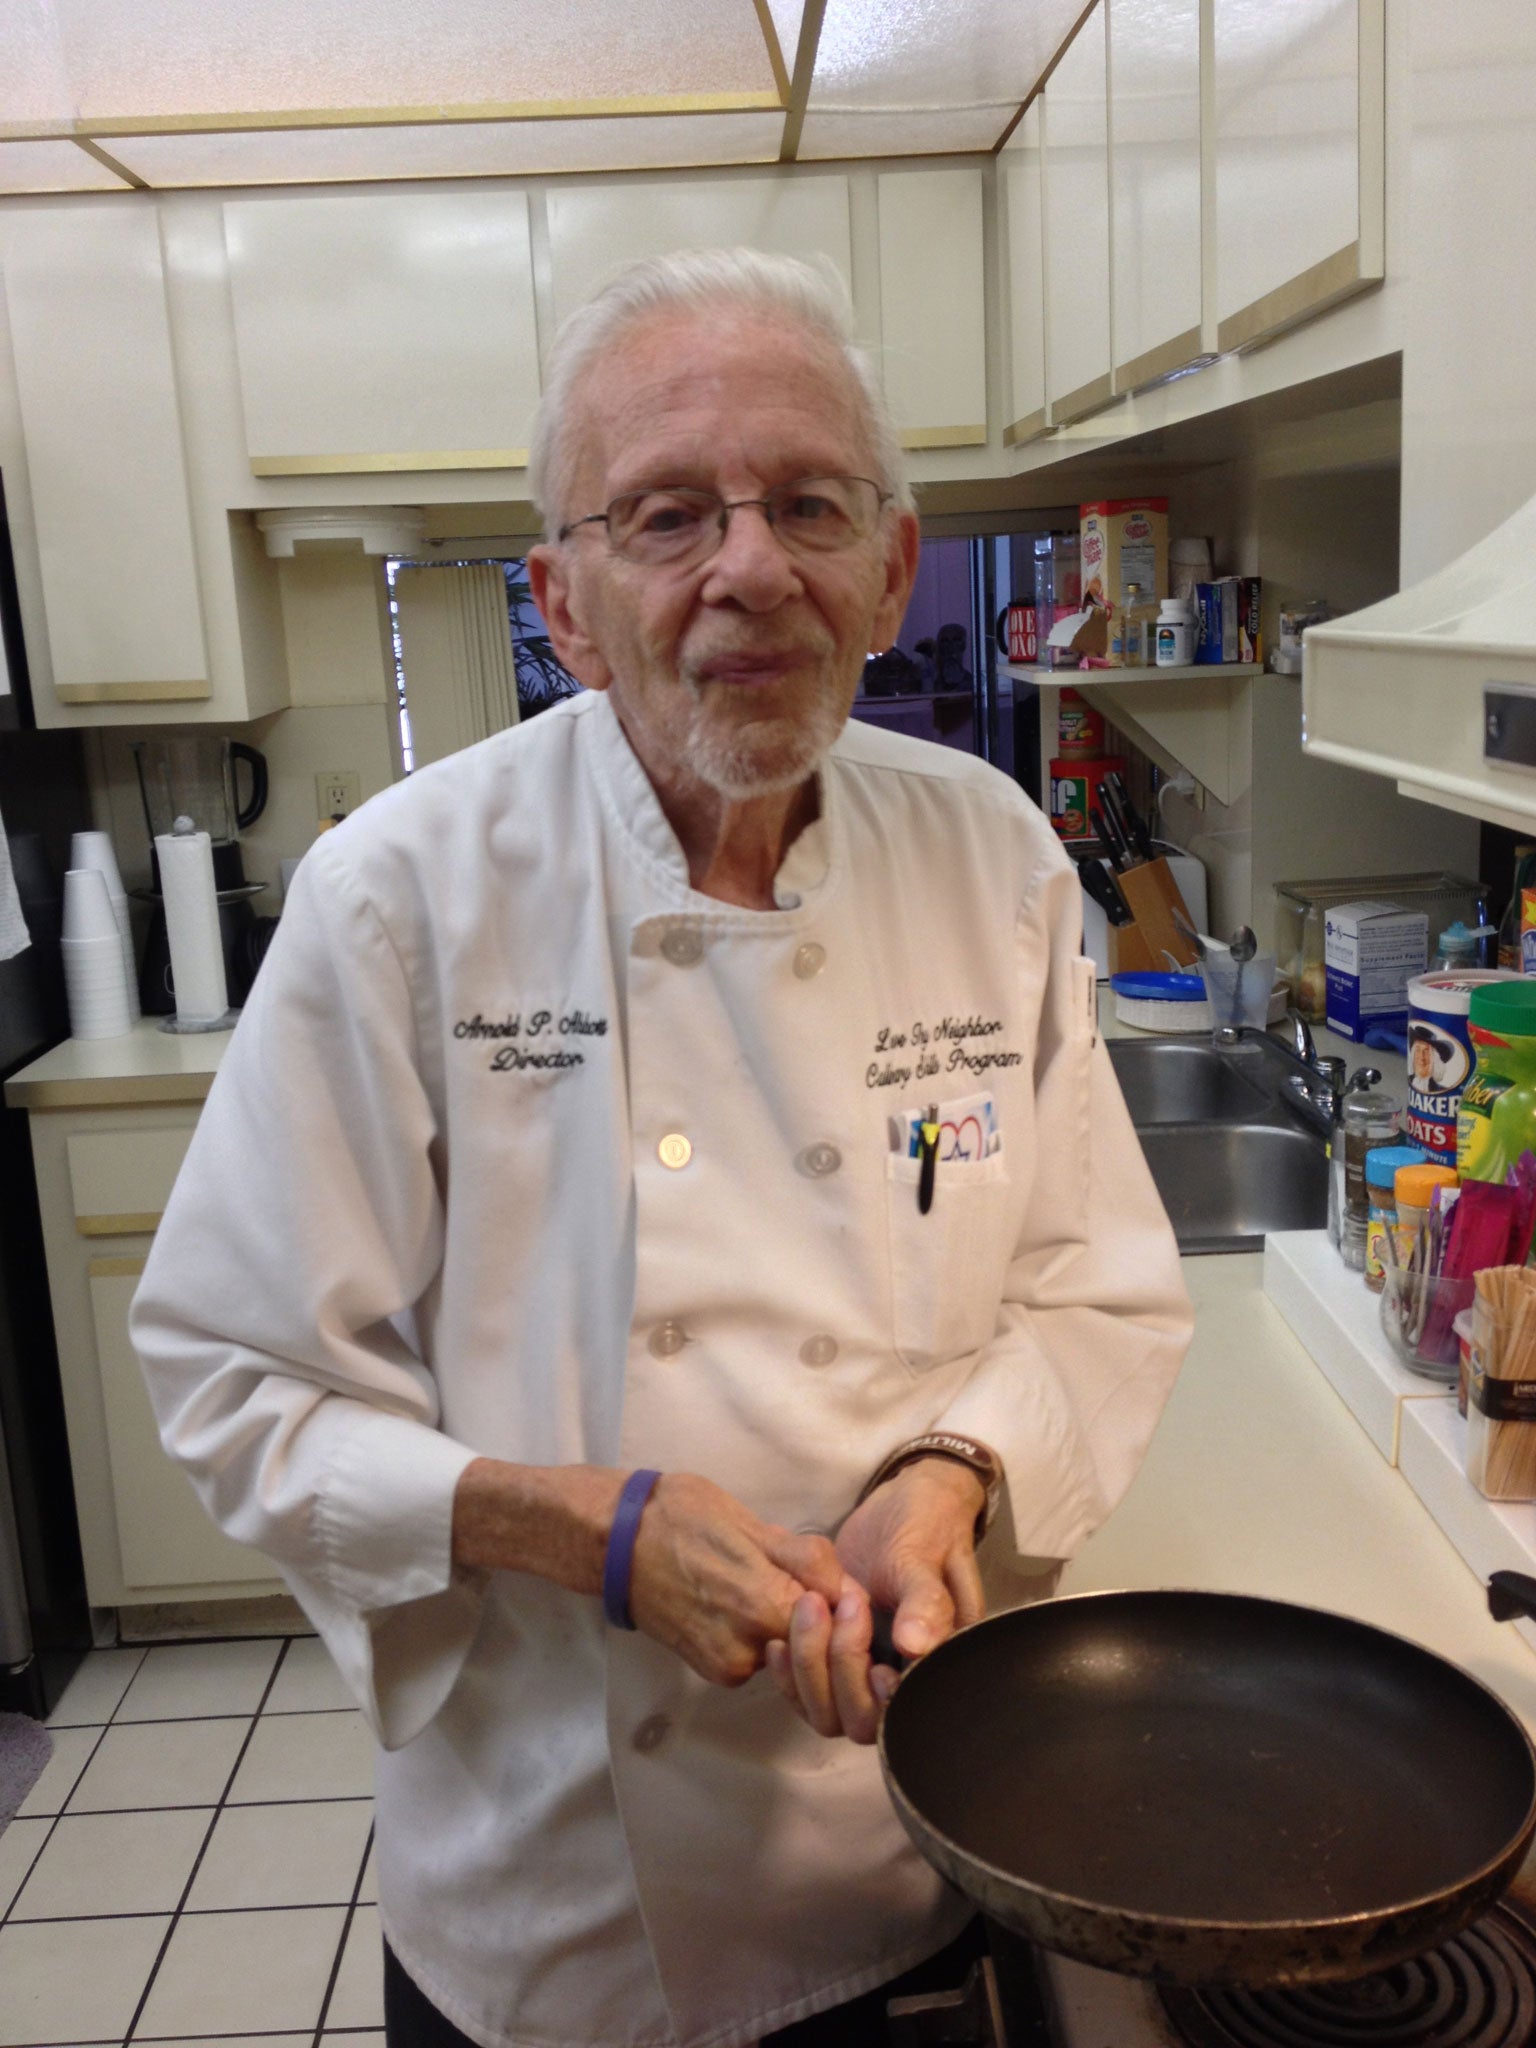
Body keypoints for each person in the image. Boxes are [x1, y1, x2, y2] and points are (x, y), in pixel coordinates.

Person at [131, 248, 1192, 2048]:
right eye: (667, 515)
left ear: (890, 569)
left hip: (907, 1836)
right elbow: (234, 1380)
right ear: (562, 596)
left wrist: (947, 1481)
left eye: (806, 504)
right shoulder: (402, 895)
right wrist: (594, 1534)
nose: (750, 568)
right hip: (557, 1899)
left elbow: (1094, 1287)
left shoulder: (994, 852)